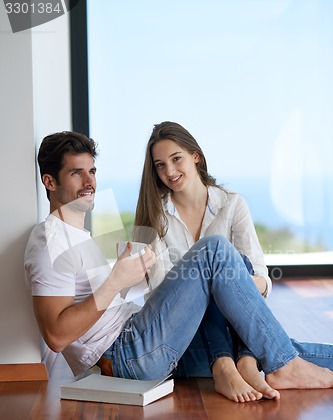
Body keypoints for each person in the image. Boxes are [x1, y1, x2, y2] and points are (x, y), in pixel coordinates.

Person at [24, 131, 333, 404]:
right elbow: (56, 335)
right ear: (50, 181)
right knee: (215, 249)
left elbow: (112, 299)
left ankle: (274, 363)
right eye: (77, 173)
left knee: (264, 345)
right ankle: (283, 365)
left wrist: (126, 276)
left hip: (141, 340)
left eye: (92, 171)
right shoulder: (49, 241)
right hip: (124, 355)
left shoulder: (80, 235)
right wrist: (116, 282)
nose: (90, 182)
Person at [134, 121, 277, 402]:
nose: (170, 172)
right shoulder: (155, 217)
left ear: (195, 156)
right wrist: (213, 283)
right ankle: (231, 363)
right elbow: (161, 295)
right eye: (160, 165)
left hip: (234, 325)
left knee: (238, 266)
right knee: (280, 350)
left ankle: (244, 362)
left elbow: (261, 278)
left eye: (177, 159)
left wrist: (229, 286)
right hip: (185, 332)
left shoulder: (233, 205)